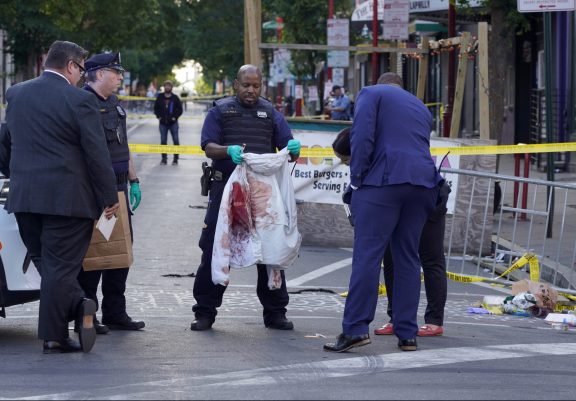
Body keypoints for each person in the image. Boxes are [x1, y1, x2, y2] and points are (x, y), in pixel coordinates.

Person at [0, 40, 119, 354]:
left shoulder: (17, 93)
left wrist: (12, 173)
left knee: (50, 267)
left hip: (25, 199)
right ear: (71, 66)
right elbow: (96, 153)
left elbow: (5, 144)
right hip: (68, 201)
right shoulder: (80, 101)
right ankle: (55, 335)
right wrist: (109, 196)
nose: (81, 75)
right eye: (81, 68)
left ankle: (79, 305)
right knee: (61, 269)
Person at [323, 72, 443, 353]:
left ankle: (355, 329)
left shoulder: (370, 93)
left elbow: (362, 138)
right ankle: (407, 333)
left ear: (380, 82)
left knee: (367, 256)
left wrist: (357, 178)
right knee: (408, 258)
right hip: (424, 183)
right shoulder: (420, 106)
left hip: (384, 182)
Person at [191, 64, 301, 331]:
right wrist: (227, 150)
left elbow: (288, 147)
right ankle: (205, 312)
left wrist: (294, 150)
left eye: (256, 85)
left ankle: (275, 313)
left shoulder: (271, 113)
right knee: (215, 248)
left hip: (262, 196)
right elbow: (208, 146)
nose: (251, 90)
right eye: (245, 85)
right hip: (226, 193)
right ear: (235, 84)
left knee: (270, 250)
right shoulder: (220, 111)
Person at [331, 127, 450, 339]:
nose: (345, 164)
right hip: (406, 200)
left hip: (427, 201)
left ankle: (433, 320)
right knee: (393, 258)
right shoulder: (376, 155)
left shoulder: (386, 152)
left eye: (345, 159)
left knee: (429, 259)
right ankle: (398, 319)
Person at [77, 52, 146, 334]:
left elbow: (123, 145)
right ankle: (87, 316)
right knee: (94, 257)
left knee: (121, 253)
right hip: (95, 191)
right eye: (115, 72)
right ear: (99, 74)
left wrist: (134, 179)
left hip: (118, 186)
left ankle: (116, 313)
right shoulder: (82, 103)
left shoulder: (115, 104)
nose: (120, 77)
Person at [154, 80, 183, 165]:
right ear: (164, 87)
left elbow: (180, 109)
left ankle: (175, 159)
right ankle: (164, 159)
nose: (167, 87)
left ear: (171, 87)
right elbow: (156, 108)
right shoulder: (160, 97)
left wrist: (175, 117)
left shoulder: (175, 98)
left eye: (169, 86)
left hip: (173, 123)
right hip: (163, 123)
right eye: (166, 86)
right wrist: (158, 117)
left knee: (176, 140)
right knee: (163, 141)